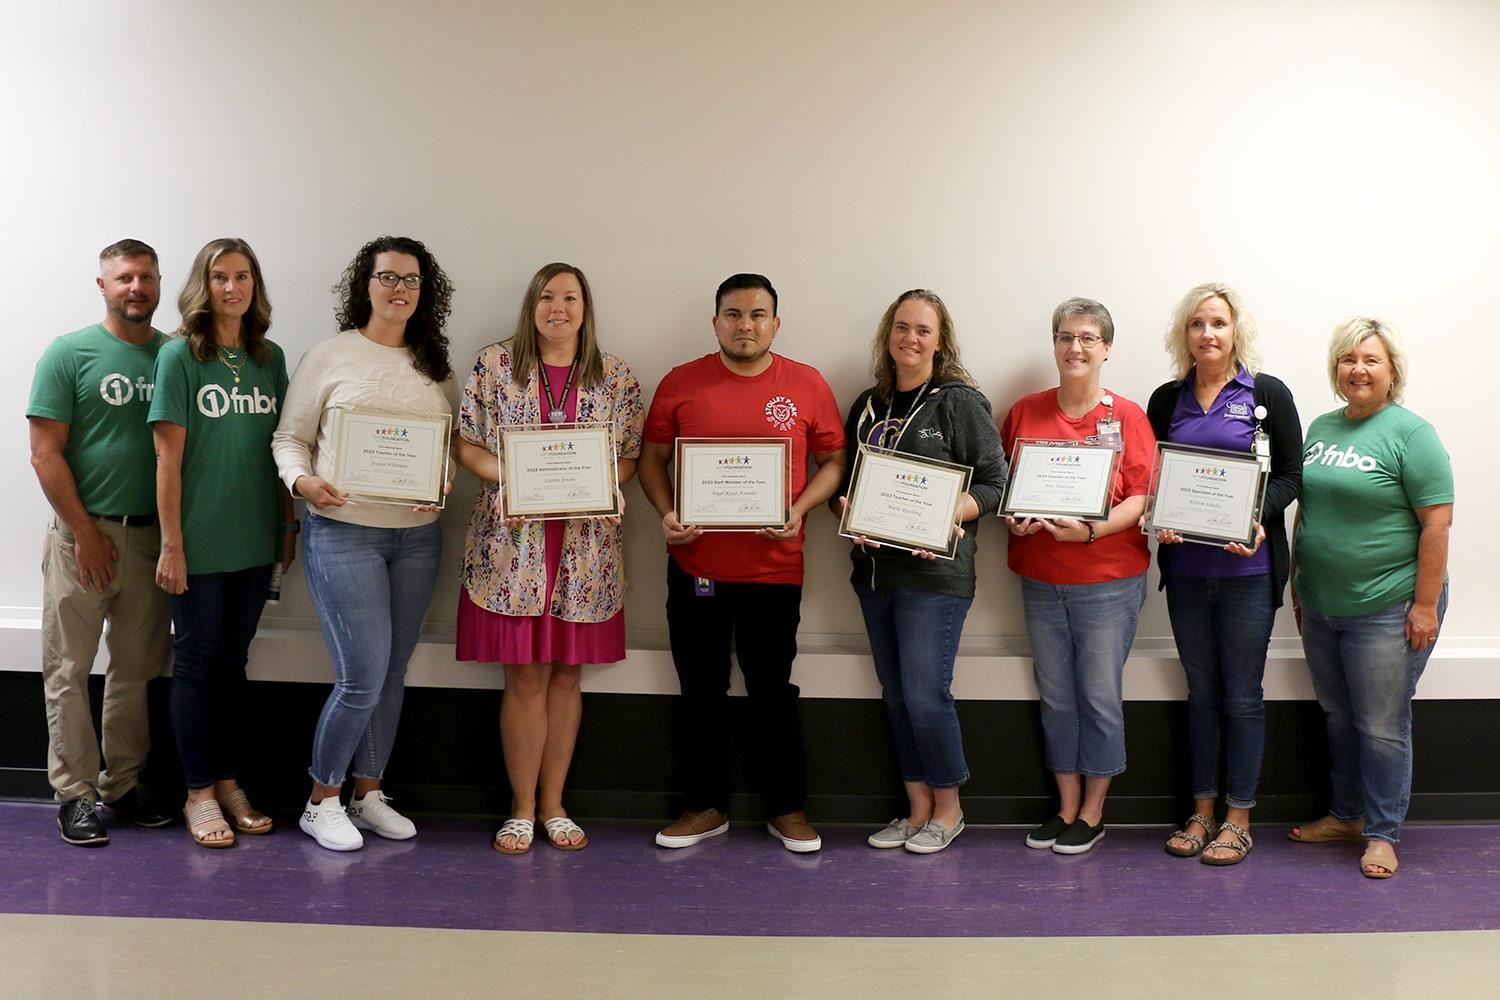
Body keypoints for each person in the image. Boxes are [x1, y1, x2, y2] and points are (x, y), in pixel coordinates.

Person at [638, 273, 845, 853]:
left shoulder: (806, 384)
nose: (745, 325)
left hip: (774, 571)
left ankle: (788, 808)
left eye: (757, 315)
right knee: (700, 690)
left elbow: (833, 461)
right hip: (696, 566)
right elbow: (653, 460)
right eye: (733, 314)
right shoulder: (681, 383)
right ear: (715, 322)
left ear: (775, 324)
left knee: (772, 691)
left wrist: (801, 508)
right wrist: (667, 511)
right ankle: (703, 807)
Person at [272, 236, 457, 852]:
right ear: (366, 285)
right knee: (361, 676)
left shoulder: (434, 366)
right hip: (343, 535)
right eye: (387, 277)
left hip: (416, 541)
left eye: (410, 280)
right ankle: (320, 799)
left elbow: (446, 450)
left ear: (423, 292)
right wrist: (303, 482)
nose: (399, 289)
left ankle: (369, 793)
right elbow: (288, 439)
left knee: (393, 673)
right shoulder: (329, 356)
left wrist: (444, 484)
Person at [454, 263, 644, 855]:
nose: (557, 307)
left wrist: (607, 484)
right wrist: (514, 479)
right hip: (513, 549)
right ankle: (520, 809)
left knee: (567, 676)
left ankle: (555, 805)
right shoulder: (493, 366)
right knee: (525, 676)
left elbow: (632, 457)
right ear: (530, 304)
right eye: (546, 296)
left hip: (585, 551)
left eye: (570, 297)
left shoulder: (615, 376)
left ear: (586, 308)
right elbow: (466, 443)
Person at [836, 290, 1007, 855]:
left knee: (926, 693)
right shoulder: (868, 405)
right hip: (875, 575)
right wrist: (848, 511)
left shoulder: (959, 403)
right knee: (895, 695)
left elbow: (994, 484)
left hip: (936, 577)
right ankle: (915, 811)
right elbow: (848, 486)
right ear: (889, 334)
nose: (911, 338)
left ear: (940, 341)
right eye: (902, 327)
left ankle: (949, 809)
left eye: (923, 330)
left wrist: (944, 512)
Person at [1288, 318, 1452, 879]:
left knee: (1381, 724)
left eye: (1371, 360)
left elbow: (1437, 524)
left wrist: (1425, 606)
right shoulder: (1320, 427)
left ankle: (1383, 834)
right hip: (1322, 603)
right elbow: (1306, 514)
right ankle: (1346, 815)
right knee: (1338, 716)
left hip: (1389, 605)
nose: (1358, 369)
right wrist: (1297, 584)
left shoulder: (1412, 433)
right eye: (1348, 359)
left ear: (1392, 371)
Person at [1146, 283, 1302, 866]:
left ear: (1236, 330)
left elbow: (1293, 474)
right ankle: (1201, 812)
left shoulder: (1265, 393)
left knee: (1241, 697)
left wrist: (1256, 514)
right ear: (1183, 334)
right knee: (1202, 694)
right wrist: (1161, 515)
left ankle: (1238, 818)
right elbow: (1153, 476)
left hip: (1248, 573)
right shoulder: (1166, 399)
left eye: (1217, 323)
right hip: (1187, 573)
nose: (1207, 334)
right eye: (1196, 324)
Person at [27, 239, 175, 846]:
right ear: (102, 285)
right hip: (80, 538)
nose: (135, 287)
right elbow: (44, 453)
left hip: (151, 540)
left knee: (136, 671)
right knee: (68, 668)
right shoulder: (70, 353)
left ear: (160, 282)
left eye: (145, 277)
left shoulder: (176, 355)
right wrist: (86, 533)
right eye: (123, 278)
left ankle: (124, 783)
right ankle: (75, 793)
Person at [1000, 297, 1154, 856]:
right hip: (1040, 577)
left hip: (1108, 581)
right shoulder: (1023, 412)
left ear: (1106, 348)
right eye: (1066, 337)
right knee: (1057, 697)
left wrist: (1090, 532)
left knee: (1099, 697)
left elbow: (1140, 497)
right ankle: (1065, 804)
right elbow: (1005, 489)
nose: (1076, 347)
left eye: (1088, 338)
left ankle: (1093, 811)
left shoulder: (1129, 417)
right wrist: (1014, 522)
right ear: (1055, 344)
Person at [150, 238, 291, 848]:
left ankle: (230, 782)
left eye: (242, 277)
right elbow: (166, 459)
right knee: (198, 662)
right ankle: (199, 792)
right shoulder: (181, 356)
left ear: (255, 285)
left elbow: (285, 447)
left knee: (235, 665)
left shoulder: (269, 357)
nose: (231, 288)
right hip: (199, 543)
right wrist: (172, 544)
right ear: (201, 286)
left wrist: (287, 527)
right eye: (219, 277)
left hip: (256, 539)